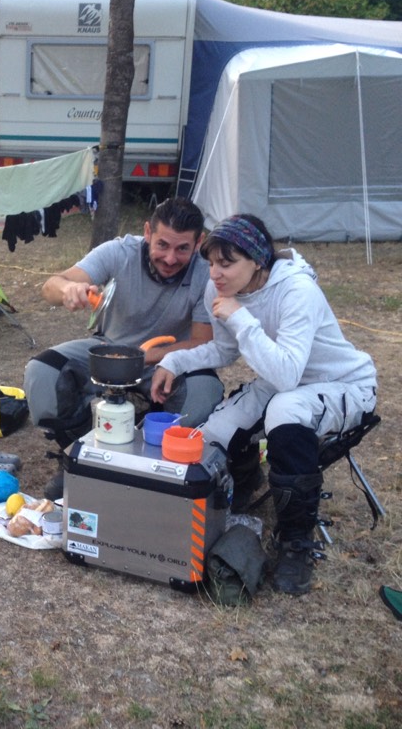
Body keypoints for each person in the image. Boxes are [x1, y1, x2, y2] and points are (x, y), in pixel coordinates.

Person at [150, 214, 377, 595]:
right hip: (281, 380)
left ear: (257, 260)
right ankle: (242, 481)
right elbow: (225, 350)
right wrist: (174, 361)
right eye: (211, 263)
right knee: (212, 435)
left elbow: (288, 375)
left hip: (343, 383)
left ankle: (296, 543)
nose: (215, 274)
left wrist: (241, 318)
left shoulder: (296, 290)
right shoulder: (218, 289)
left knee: (285, 411)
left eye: (226, 263)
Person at [24, 198, 224, 499]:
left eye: (182, 248)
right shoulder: (118, 252)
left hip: (170, 361)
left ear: (199, 243)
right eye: (162, 245)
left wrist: (149, 357)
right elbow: (50, 286)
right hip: (109, 348)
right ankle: (80, 457)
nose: (170, 258)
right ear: (148, 232)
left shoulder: (205, 274)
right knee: (43, 372)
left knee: (203, 394)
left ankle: (157, 469)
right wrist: (68, 289)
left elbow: (201, 342)